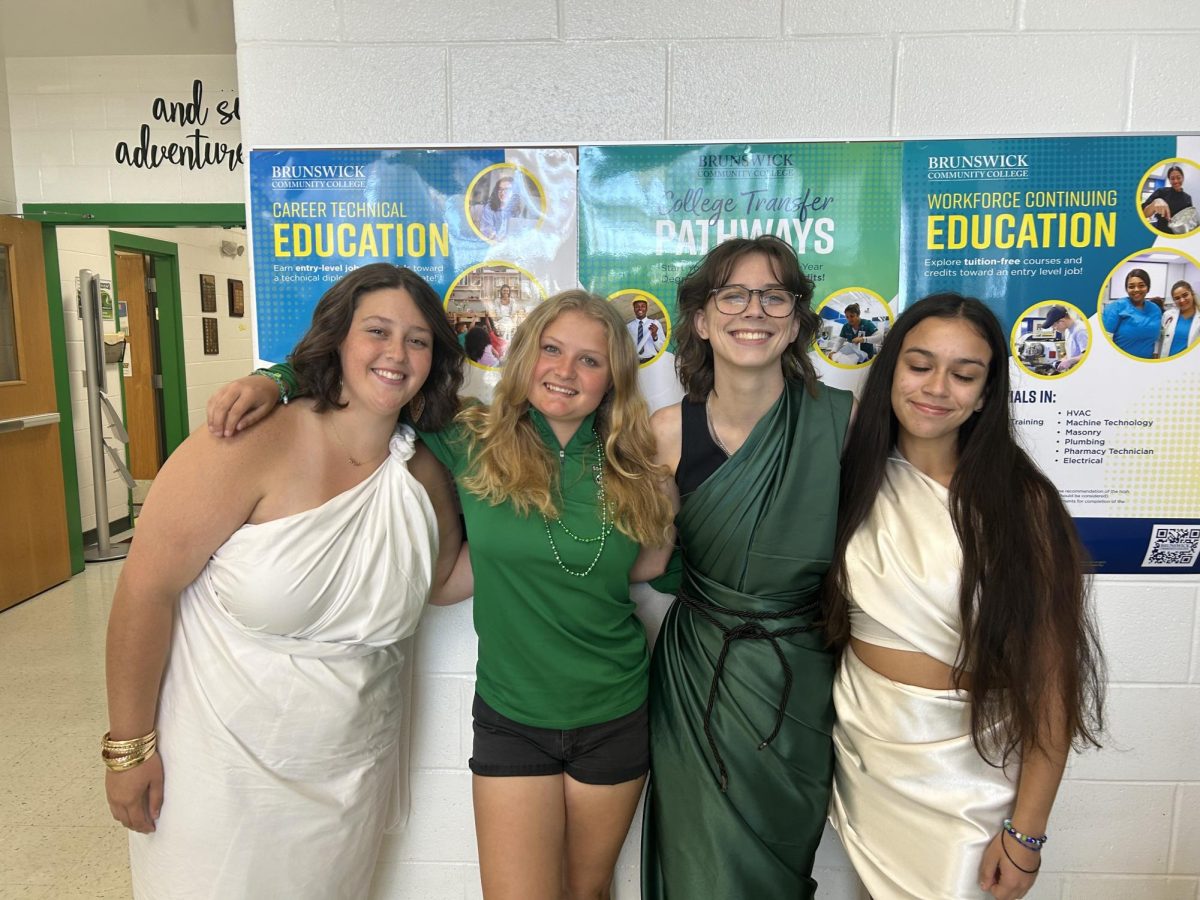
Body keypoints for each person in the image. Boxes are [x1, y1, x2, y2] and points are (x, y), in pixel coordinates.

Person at [206, 290, 675, 900]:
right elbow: (377, 381)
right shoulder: (471, 436)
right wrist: (279, 379)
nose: (565, 371)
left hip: (616, 712)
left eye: (589, 360)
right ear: (527, 354)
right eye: (552, 350)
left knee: (587, 893)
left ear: (612, 377)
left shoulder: (633, 468)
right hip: (515, 718)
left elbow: (652, 568)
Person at [107, 264, 468, 898]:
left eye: (417, 340)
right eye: (376, 331)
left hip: (347, 778)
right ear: (338, 340)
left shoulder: (424, 475)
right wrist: (129, 748)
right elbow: (145, 589)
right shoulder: (249, 441)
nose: (396, 353)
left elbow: (439, 581)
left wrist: (545, 537)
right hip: (217, 774)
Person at [824, 293, 1105, 900]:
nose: (937, 387)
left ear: (985, 393)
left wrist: (1027, 834)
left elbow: (1053, 677)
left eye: (964, 374)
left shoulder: (1023, 503)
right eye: (920, 365)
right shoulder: (847, 482)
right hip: (871, 748)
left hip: (975, 768)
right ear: (891, 370)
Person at [641, 235, 854, 900]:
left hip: (800, 673)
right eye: (732, 294)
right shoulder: (665, 433)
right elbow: (652, 564)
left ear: (796, 318)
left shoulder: (841, 424)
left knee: (778, 867)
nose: (753, 311)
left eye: (773, 295)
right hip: (698, 673)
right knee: (699, 864)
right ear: (702, 320)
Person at [1102, 268, 1163, 358]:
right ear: (1127, 289)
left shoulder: (1155, 309)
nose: (1136, 290)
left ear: (1148, 287)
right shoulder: (1116, 307)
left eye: (1141, 285)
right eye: (1131, 286)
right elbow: (1104, 341)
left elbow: (1156, 340)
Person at [1142, 165, 1194, 234]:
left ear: (1183, 178)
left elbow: (1189, 216)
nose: (1176, 181)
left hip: (1181, 233)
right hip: (1161, 232)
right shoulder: (1161, 192)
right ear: (1169, 180)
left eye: (1178, 178)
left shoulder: (1188, 197)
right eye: (1172, 178)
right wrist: (1154, 203)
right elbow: (1144, 214)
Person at [1156, 279, 1200, 358]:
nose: (1182, 300)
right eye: (1177, 298)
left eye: (1185, 295)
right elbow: (1158, 338)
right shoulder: (1168, 315)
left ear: (1192, 294)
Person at [1043, 305, 1087, 372]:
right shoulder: (1067, 330)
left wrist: (1070, 361)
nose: (1054, 329)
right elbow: (1074, 352)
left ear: (1062, 321)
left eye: (1054, 326)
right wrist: (1064, 359)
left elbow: (1087, 355)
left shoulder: (1080, 330)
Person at [479, 175, 519, 241]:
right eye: (500, 189)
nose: (503, 193)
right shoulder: (489, 207)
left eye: (507, 190)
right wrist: (496, 237)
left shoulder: (516, 209)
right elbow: (486, 228)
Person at [627, 298, 665, 363]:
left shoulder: (655, 324)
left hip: (652, 361)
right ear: (634, 309)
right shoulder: (628, 327)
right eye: (637, 307)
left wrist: (655, 336)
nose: (640, 309)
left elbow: (662, 348)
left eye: (643, 306)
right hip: (635, 362)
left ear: (647, 308)